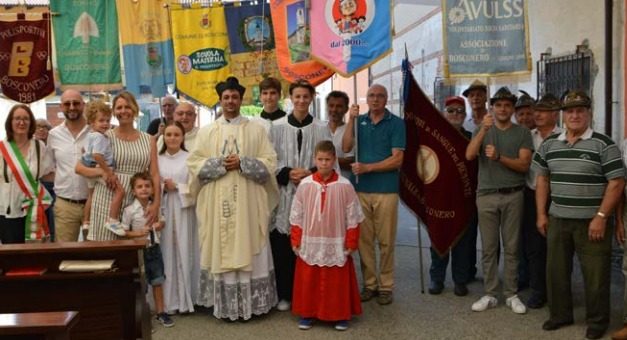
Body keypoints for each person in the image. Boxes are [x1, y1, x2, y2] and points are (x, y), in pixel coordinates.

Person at [534, 91, 624, 340]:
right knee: (556, 271)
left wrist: (602, 216)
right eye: (570, 111)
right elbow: (542, 179)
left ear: (589, 114)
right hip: (558, 219)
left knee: (596, 274)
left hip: (592, 222)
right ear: (563, 115)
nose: (575, 115)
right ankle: (560, 315)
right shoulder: (550, 144)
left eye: (580, 111)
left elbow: (616, 182)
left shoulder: (604, 144)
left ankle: (597, 321)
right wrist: (541, 214)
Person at [187, 76, 279, 320]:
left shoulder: (256, 130)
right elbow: (194, 163)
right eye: (226, 97)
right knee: (222, 243)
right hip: (217, 201)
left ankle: (251, 305)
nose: (230, 101)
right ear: (220, 100)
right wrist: (220, 164)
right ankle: (227, 306)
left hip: (248, 202)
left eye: (234, 97)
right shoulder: (207, 132)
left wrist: (243, 163)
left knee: (249, 242)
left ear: (241, 100)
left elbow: (270, 162)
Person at [465, 87, 533, 314]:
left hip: (514, 194)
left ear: (512, 109)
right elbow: (470, 155)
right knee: (489, 247)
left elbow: (524, 165)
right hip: (486, 194)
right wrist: (483, 131)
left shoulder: (522, 133)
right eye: (498, 105)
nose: (502, 109)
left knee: (512, 247)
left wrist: (499, 157)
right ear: (492, 108)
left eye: (507, 105)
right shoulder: (482, 129)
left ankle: (511, 293)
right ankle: (491, 293)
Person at [270, 79, 333, 311]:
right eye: (297, 96)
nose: (301, 101)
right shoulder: (276, 127)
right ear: (290, 98)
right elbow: (270, 159)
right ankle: (285, 294)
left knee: (309, 245)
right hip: (285, 192)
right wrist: (286, 172)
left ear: (311, 98)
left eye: (305, 97)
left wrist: (311, 172)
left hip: (313, 192)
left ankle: (309, 294)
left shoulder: (321, 127)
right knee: (284, 245)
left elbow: (328, 157)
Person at [342, 84, 406, 305]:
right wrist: (350, 119)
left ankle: (386, 285)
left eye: (380, 95)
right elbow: (346, 146)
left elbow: (398, 159)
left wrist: (369, 168)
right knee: (364, 241)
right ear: (366, 99)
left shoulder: (396, 123)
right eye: (371, 96)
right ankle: (370, 284)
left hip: (386, 190)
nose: (375, 99)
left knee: (386, 241)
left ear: (386, 99)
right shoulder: (359, 121)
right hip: (360, 190)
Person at [290, 141, 363, 331]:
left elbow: (353, 216)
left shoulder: (345, 185)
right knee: (309, 278)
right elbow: (297, 215)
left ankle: (339, 315)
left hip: (336, 240)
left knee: (336, 280)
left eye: (327, 160)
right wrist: (296, 239)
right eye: (320, 159)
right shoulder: (305, 185)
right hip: (310, 240)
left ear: (334, 160)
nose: (323, 163)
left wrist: (352, 240)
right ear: (315, 159)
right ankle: (307, 313)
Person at [76, 91, 160, 241]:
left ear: (135, 108)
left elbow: (154, 174)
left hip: (136, 199)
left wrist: (156, 204)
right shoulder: (103, 135)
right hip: (107, 197)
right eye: (119, 107)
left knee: (134, 251)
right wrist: (103, 172)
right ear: (114, 111)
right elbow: (79, 168)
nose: (123, 111)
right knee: (105, 247)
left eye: (127, 107)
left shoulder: (149, 139)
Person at [428, 96, 478, 297]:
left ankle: (460, 280)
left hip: (464, 197)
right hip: (439, 197)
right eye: (451, 111)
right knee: (439, 239)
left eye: (460, 111)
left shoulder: (470, 138)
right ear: (443, 114)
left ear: (465, 116)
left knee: (463, 242)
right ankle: (437, 279)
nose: (456, 114)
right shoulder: (434, 138)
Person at [519, 93, 562, 309]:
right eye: (537, 110)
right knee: (534, 246)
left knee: (557, 247)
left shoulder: (563, 137)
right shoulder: (528, 136)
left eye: (542, 111)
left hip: (557, 197)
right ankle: (538, 290)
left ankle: (558, 291)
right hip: (531, 195)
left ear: (555, 114)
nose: (537, 114)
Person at [121, 171, 174, 328]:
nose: (143, 189)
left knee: (158, 281)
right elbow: (124, 231)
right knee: (141, 284)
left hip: (154, 249)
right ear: (133, 191)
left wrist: (158, 225)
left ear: (152, 189)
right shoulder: (129, 210)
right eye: (139, 187)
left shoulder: (155, 207)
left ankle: (161, 312)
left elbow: (162, 222)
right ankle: (143, 314)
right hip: (138, 251)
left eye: (147, 186)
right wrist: (137, 233)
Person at [158, 121, 200, 314]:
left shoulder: (190, 158)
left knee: (185, 249)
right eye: (168, 135)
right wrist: (162, 187)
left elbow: (196, 187)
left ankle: (186, 299)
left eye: (176, 135)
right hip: (164, 207)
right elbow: (150, 183)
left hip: (184, 209)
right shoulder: (157, 159)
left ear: (183, 137)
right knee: (166, 252)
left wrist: (178, 187)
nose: (172, 138)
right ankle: (168, 302)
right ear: (163, 137)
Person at [0, 105, 54, 243]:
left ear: (31, 123)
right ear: (10, 122)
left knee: (34, 255)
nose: (21, 122)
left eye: (26, 119)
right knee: (12, 256)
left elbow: (48, 174)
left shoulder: (39, 147)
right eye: (17, 118)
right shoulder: (2, 148)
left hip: (35, 208)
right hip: (9, 210)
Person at [48, 89, 90, 242]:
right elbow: (49, 168)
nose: (72, 107)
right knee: (64, 254)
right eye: (67, 104)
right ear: (61, 107)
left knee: (97, 253)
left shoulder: (96, 132)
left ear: (83, 105)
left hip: (94, 203)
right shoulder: (53, 135)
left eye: (76, 103)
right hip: (65, 205)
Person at [80, 100, 126, 236]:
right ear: (92, 122)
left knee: (91, 195)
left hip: (89, 166)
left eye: (107, 120)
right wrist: (107, 171)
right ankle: (112, 220)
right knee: (120, 192)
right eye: (101, 121)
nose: (105, 124)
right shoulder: (100, 137)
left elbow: (84, 150)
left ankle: (86, 221)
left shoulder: (90, 135)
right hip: (99, 168)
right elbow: (98, 155)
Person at [34, 118, 56, 241]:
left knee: (54, 218)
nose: (42, 129)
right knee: (43, 219)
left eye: (45, 127)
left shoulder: (53, 144)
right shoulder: (32, 145)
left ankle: (53, 243)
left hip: (56, 185)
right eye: (38, 126)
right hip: (41, 185)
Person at [326, 91, 354, 179]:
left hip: (344, 182)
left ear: (346, 109)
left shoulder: (350, 130)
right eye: (331, 106)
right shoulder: (320, 128)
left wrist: (325, 159)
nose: (334, 109)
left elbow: (351, 162)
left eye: (339, 106)